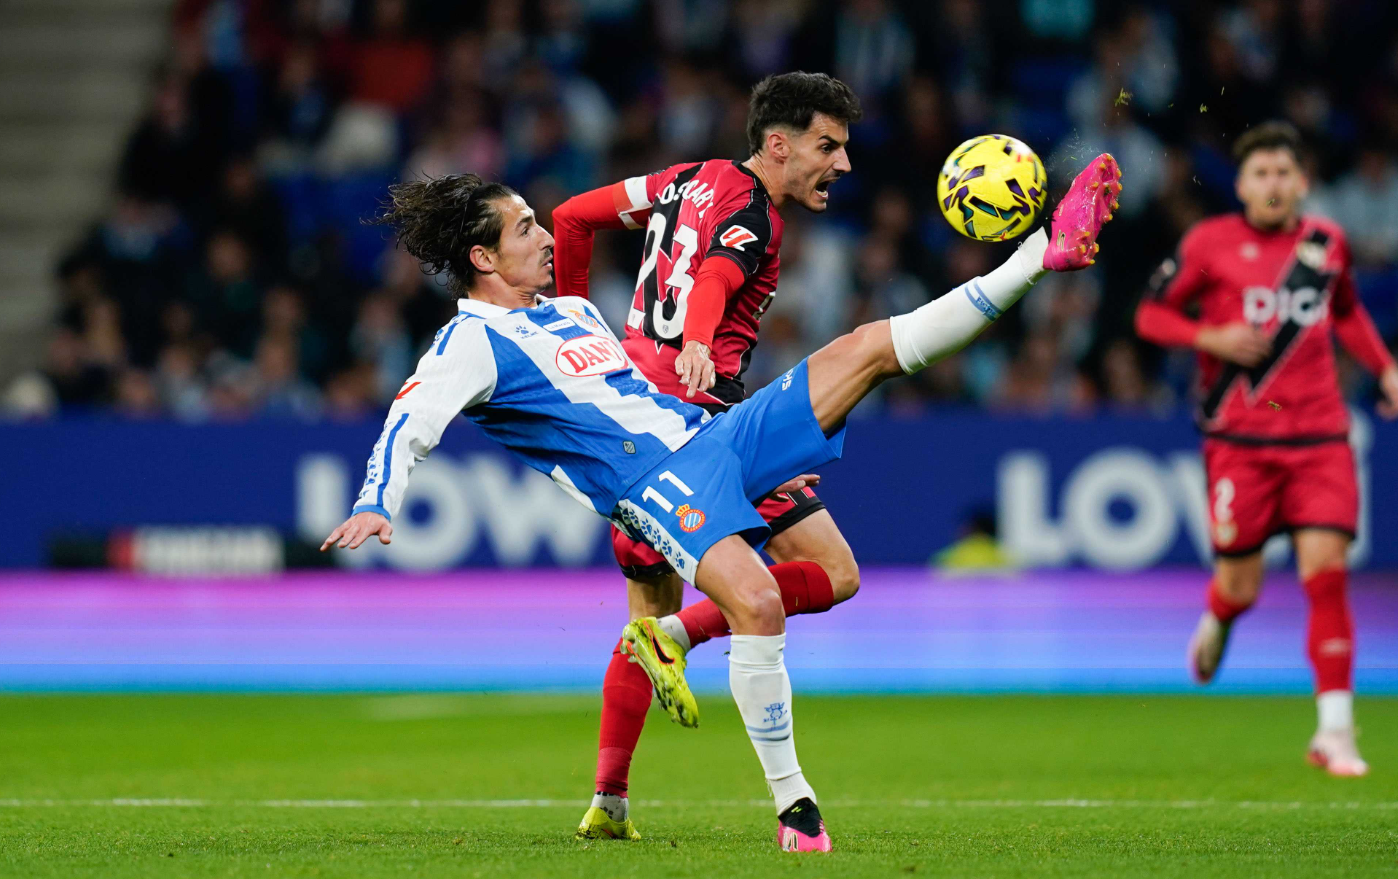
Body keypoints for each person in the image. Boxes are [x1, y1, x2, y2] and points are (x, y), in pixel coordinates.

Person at [321, 155, 1120, 851]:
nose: (543, 236)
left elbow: (632, 369)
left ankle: (1038, 254)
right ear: (483, 257)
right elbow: (410, 419)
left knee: (867, 349)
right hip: (653, 485)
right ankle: (795, 806)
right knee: (759, 600)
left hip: (711, 434)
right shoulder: (469, 342)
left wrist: (734, 429)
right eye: (524, 227)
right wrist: (376, 498)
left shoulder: (570, 311)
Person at [550, 71, 864, 840]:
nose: (843, 163)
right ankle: (686, 638)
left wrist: (568, 327)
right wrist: (696, 342)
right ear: (778, 144)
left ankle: (609, 799)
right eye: (828, 146)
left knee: (644, 610)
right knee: (834, 573)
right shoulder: (756, 212)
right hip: (699, 426)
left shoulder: (681, 180)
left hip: (623, 424)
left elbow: (570, 218)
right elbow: (719, 274)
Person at [1135, 121, 1398, 778]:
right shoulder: (1209, 243)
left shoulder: (1326, 244)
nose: (1274, 184)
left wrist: (1387, 369)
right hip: (1240, 445)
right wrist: (1210, 337)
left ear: (1303, 182)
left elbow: (1346, 313)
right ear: (1243, 186)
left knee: (1326, 575)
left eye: (1285, 172)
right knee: (1241, 586)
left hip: (1321, 437)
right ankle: (1219, 617)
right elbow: (1150, 315)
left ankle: (1335, 730)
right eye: (1261, 173)